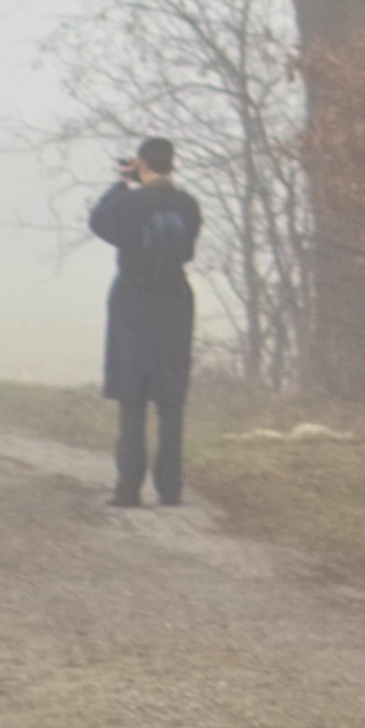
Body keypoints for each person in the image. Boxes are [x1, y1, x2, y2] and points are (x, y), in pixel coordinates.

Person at [89, 136, 204, 508]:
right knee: (171, 400)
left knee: (132, 396)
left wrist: (122, 182)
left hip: (134, 303)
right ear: (172, 163)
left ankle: (128, 488)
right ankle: (170, 488)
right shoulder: (188, 205)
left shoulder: (130, 204)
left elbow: (99, 222)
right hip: (175, 302)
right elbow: (187, 248)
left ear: (142, 164)